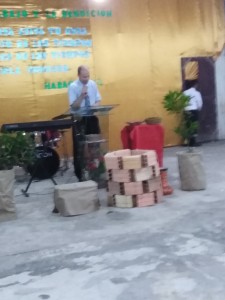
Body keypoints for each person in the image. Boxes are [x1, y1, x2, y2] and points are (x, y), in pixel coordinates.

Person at [68, 65, 102, 180]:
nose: (86, 79)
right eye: (83, 77)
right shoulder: (73, 86)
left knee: (95, 144)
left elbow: (98, 99)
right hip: (80, 119)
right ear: (78, 75)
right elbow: (74, 106)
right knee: (81, 146)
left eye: (87, 76)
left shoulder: (92, 84)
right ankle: (81, 173)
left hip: (92, 117)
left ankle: (96, 171)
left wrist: (95, 106)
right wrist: (82, 95)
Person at [183, 79, 203, 146]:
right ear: (195, 85)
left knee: (188, 125)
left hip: (186, 110)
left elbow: (182, 102)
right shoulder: (196, 93)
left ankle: (188, 141)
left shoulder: (184, 93)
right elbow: (199, 103)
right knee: (194, 126)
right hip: (194, 110)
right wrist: (198, 109)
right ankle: (193, 142)